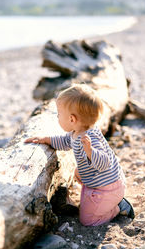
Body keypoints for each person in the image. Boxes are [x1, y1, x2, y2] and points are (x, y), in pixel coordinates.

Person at [25, 84, 135, 226]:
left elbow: (105, 162)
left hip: (108, 187)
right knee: (78, 172)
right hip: (102, 180)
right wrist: (47, 140)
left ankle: (117, 206)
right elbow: (65, 141)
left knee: (87, 220)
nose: (57, 117)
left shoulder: (90, 139)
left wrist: (90, 151)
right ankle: (102, 198)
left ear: (72, 119)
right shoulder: (77, 132)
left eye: (59, 114)